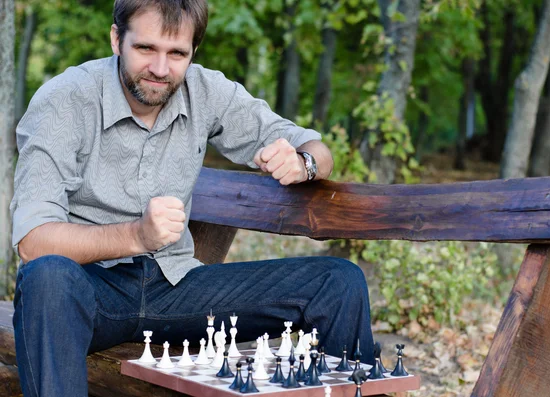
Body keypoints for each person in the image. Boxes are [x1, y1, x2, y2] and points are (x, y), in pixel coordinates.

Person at [10, 0, 374, 395]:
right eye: (146, 48)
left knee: (339, 281)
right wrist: (137, 235)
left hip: (177, 287)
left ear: (192, 53)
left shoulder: (205, 90)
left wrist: (302, 163)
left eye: (177, 53)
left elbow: (318, 150)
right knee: (45, 277)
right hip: (90, 290)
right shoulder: (64, 100)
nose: (161, 69)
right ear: (117, 39)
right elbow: (34, 242)